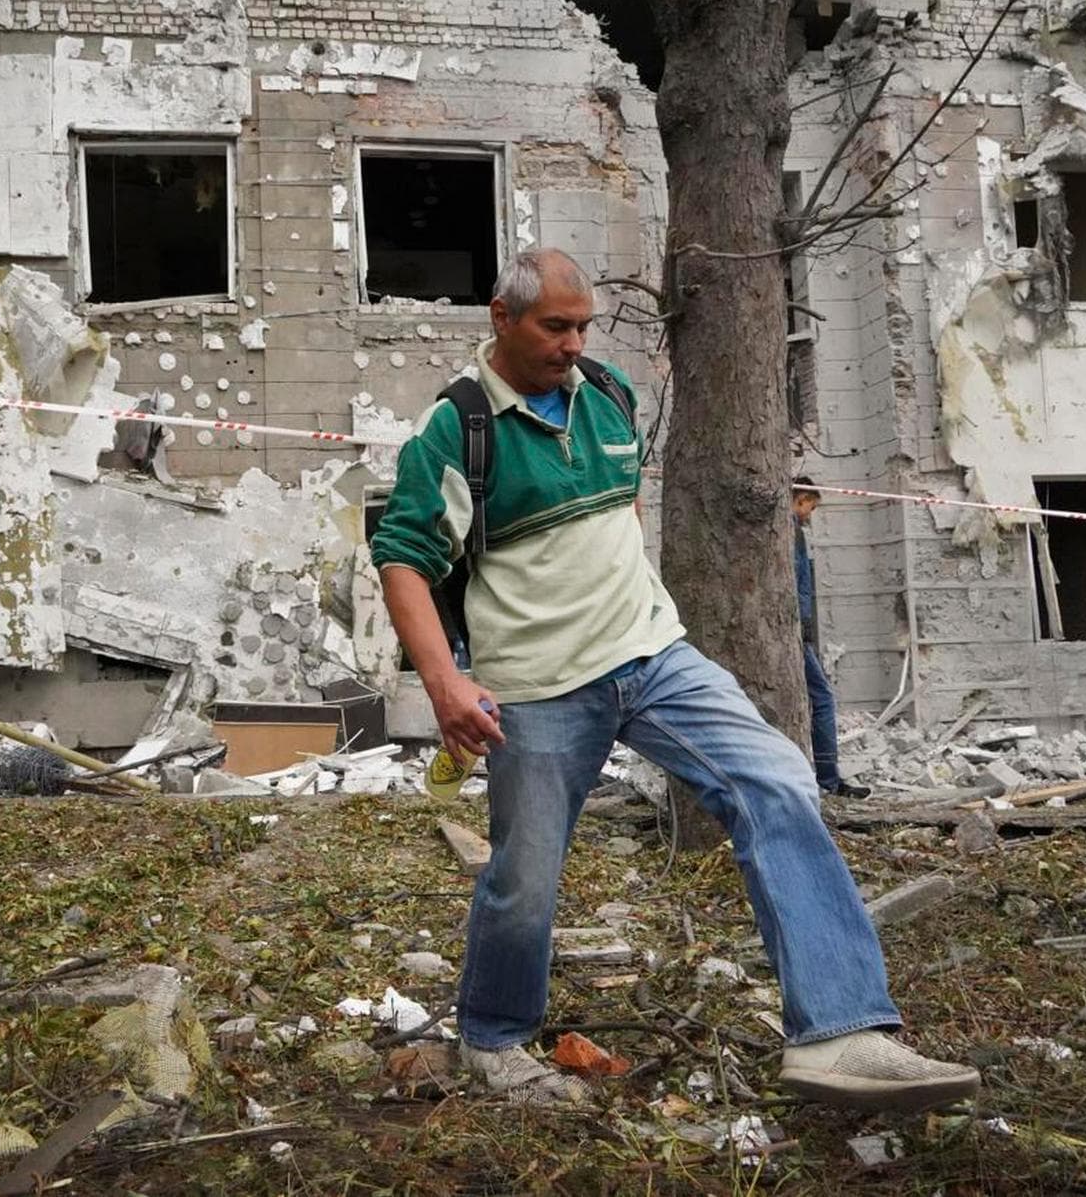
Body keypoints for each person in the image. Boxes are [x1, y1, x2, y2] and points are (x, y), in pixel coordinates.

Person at [370, 248, 979, 1109]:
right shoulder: (459, 427)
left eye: (583, 325)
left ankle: (841, 1034)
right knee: (526, 872)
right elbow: (402, 556)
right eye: (555, 326)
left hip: (655, 658)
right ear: (502, 320)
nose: (574, 342)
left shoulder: (610, 393)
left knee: (775, 779)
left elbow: (620, 507)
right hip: (539, 688)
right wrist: (445, 683)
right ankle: (494, 1037)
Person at [794, 478, 870, 799]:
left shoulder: (789, 532)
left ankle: (824, 777)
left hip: (794, 630)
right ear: (801, 498)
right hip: (794, 632)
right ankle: (828, 779)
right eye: (811, 505)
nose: (811, 514)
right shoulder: (789, 531)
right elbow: (797, 585)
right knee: (823, 698)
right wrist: (804, 628)